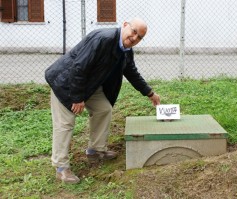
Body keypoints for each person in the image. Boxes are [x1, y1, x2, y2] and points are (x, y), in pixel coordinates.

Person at [45, 18, 160, 184]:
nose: (134, 38)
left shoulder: (126, 50)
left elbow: (131, 73)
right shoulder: (103, 39)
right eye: (134, 32)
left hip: (89, 84)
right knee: (65, 123)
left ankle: (95, 150)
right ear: (125, 25)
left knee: (103, 109)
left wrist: (150, 93)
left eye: (140, 37)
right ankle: (61, 167)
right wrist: (77, 97)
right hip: (66, 82)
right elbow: (79, 67)